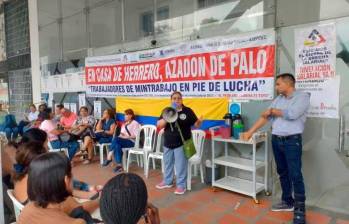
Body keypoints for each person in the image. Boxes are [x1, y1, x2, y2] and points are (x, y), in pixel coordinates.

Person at [241, 73, 310, 224]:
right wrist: (250, 132)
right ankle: (287, 201)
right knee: (282, 172)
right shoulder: (278, 99)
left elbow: (292, 114)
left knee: (295, 174)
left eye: (278, 84)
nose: (276, 87)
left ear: (288, 84)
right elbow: (265, 116)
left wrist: (272, 111)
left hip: (292, 141)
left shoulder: (302, 97)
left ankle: (300, 210)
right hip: (276, 140)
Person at [18, 153, 99, 224]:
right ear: (66, 180)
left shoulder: (25, 212)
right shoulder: (77, 222)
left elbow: (78, 209)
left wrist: (99, 201)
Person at [156, 91, 202, 195]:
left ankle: (181, 185)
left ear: (182, 100)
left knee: (180, 165)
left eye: (179, 98)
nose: (177, 100)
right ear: (171, 100)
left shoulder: (187, 111)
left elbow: (196, 124)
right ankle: (168, 181)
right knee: (168, 163)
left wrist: (199, 122)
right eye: (174, 98)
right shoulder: (166, 111)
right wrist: (169, 114)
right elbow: (159, 125)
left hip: (182, 142)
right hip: (168, 142)